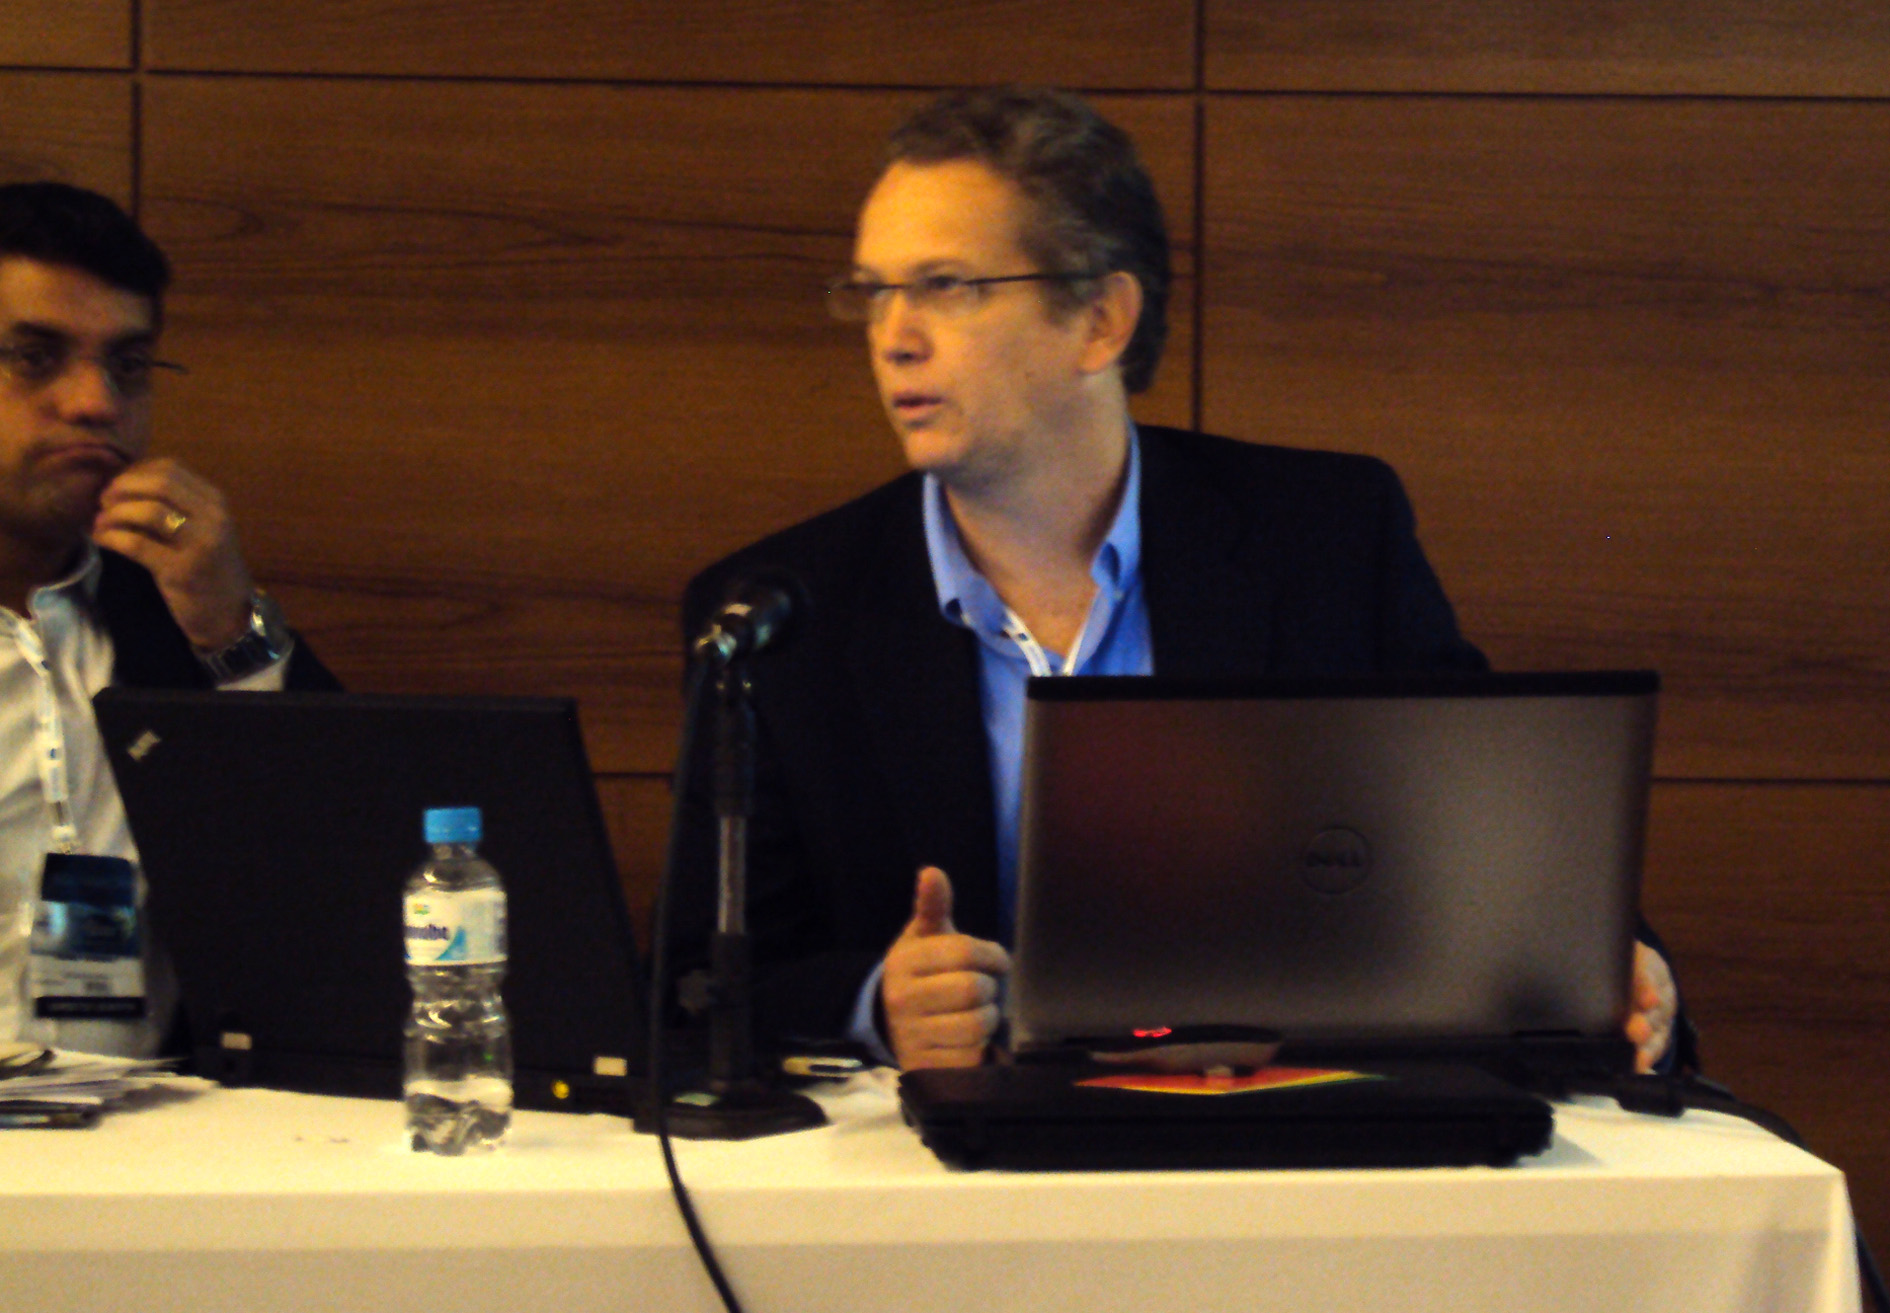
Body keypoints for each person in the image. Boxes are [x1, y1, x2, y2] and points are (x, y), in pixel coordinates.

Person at [678, 87, 1681, 1073]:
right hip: (955, 1156)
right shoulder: (777, 611)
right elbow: (693, 984)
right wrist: (876, 1004)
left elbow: (1500, 860)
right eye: (873, 290)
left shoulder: (1328, 540)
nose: (894, 334)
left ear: (1101, 319)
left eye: (948, 286)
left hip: (1286, 1130)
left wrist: (1609, 969)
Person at [0, 181, 339, 1057]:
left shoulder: (170, 603)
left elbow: (347, 860)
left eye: (127, 364)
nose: (95, 402)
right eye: (35, 357)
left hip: (157, 1124)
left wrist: (233, 632)